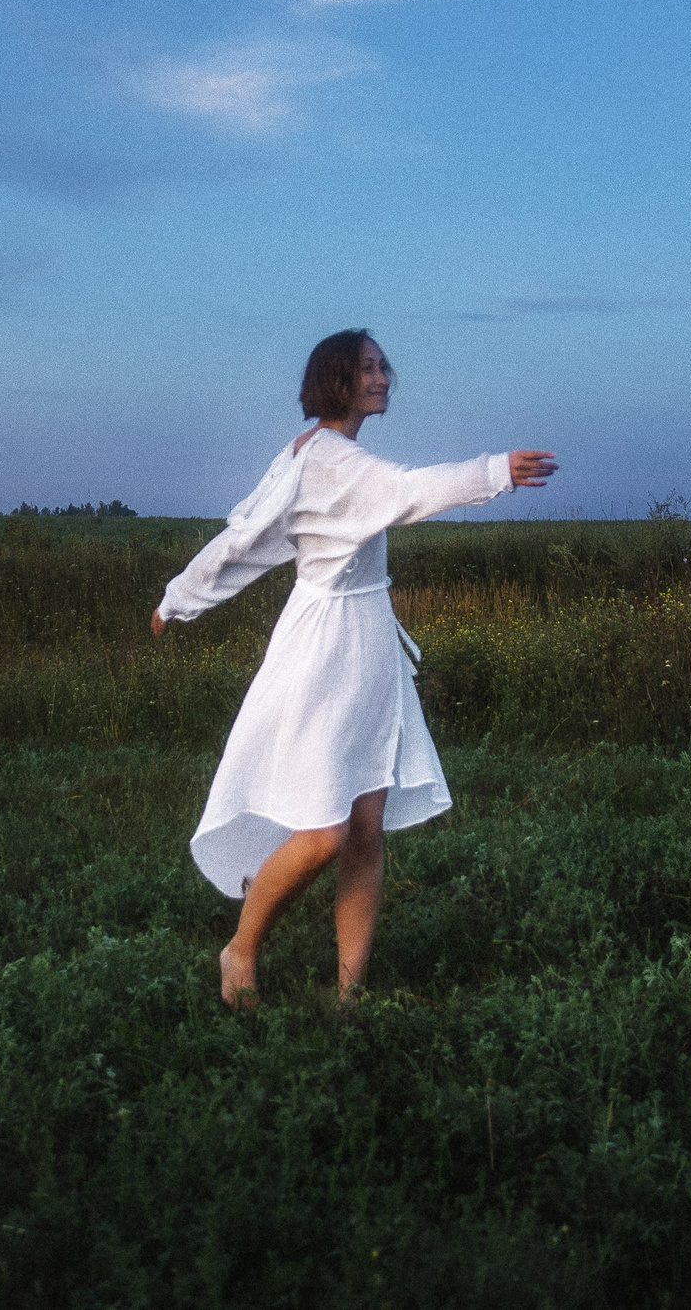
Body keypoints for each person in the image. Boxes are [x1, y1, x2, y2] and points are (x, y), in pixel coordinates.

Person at [152, 329, 557, 1006]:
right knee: (323, 832)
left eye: (382, 367)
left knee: (365, 829)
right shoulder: (329, 458)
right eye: (369, 368)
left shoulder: (315, 452)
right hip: (324, 649)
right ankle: (240, 951)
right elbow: (261, 535)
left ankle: (349, 998)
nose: (383, 378)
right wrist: (495, 470)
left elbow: (249, 535)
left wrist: (179, 596)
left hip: (366, 644)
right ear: (338, 379)